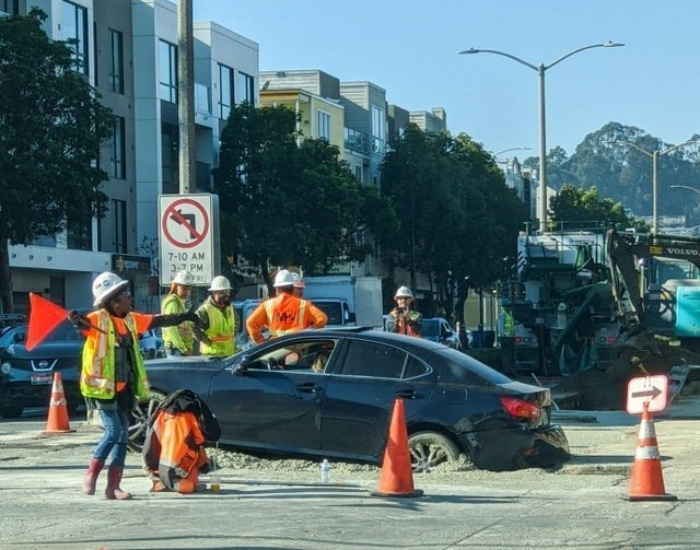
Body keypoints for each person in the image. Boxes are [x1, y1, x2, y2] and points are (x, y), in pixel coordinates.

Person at [71, 271, 200, 500]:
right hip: (102, 389)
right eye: (126, 294)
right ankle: (91, 474)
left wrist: (185, 317)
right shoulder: (98, 319)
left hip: (124, 389)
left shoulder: (130, 320)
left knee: (121, 437)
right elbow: (82, 324)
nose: (130, 298)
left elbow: (158, 320)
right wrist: (76, 320)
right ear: (113, 300)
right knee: (114, 432)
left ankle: (113, 487)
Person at [143, 389, 221, 494]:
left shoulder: (162, 412)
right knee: (188, 487)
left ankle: (160, 482)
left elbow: (150, 441)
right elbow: (200, 440)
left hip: (157, 466)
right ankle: (173, 483)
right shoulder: (189, 415)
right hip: (178, 467)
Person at [246, 269, 328, 344]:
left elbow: (250, 322)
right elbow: (322, 318)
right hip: (298, 346)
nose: (301, 292)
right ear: (292, 287)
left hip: (275, 348)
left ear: (276, 289)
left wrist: (261, 342)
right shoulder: (304, 305)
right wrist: (310, 334)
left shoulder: (268, 305)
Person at [194, 275, 236, 357]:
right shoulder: (205, 310)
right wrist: (206, 341)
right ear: (214, 293)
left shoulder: (230, 308)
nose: (226, 295)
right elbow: (192, 326)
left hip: (229, 355)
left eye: (228, 292)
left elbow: (236, 324)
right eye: (223, 292)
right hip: (211, 356)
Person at [161, 270, 196, 357]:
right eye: (184, 288)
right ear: (176, 286)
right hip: (175, 349)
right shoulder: (173, 302)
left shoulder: (180, 302)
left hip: (181, 348)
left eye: (189, 289)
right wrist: (184, 349)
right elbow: (170, 328)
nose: (187, 292)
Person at [498, 302, 516, 374]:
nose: (509, 308)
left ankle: (510, 371)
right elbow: (501, 327)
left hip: (510, 338)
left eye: (509, 306)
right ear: (504, 307)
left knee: (510, 355)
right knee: (506, 356)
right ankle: (506, 371)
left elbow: (511, 326)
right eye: (508, 306)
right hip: (505, 338)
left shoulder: (510, 315)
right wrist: (504, 336)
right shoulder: (503, 315)